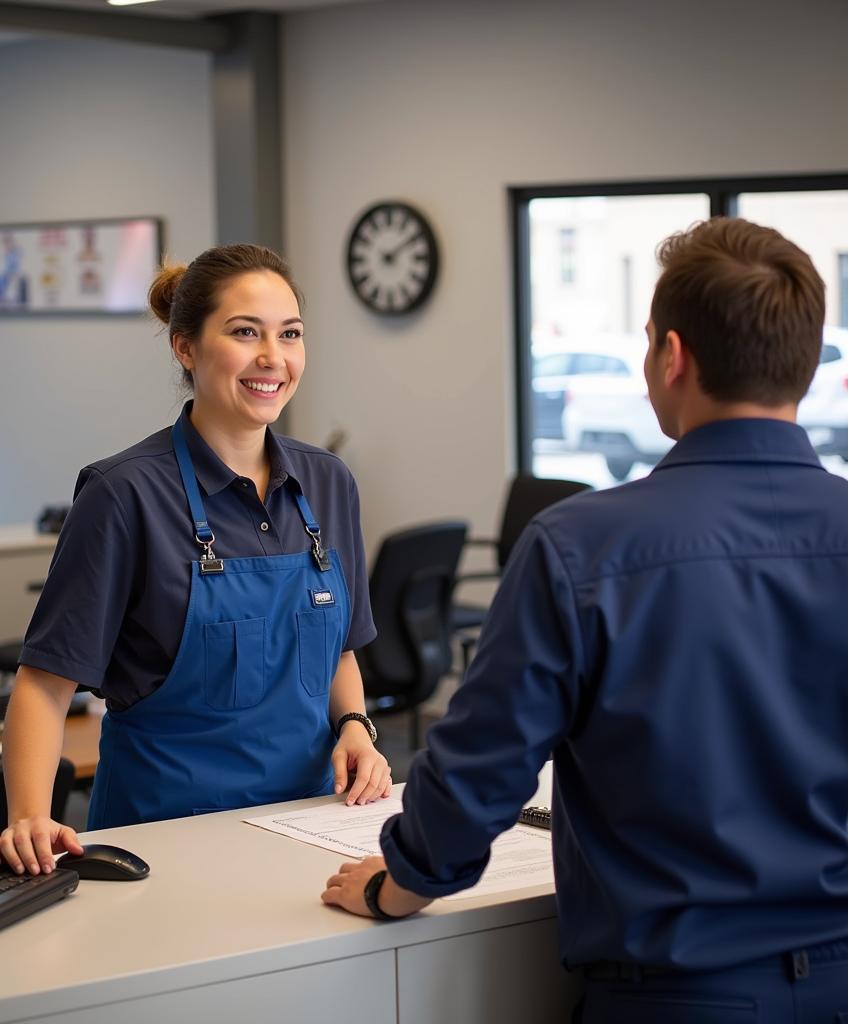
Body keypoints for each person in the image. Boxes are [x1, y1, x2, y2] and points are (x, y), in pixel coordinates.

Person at [322, 218, 848, 1022]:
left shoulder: (584, 544)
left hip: (682, 997)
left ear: (672, 356)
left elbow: (478, 771)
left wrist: (397, 885)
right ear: (805, 365)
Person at [0, 243, 391, 877]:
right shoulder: (123, 494)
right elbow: (44, 684)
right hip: (161, 844)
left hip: (313, 830)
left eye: (290, 334)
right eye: (244, 333)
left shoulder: (329, 482)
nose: (273, 358)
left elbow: (339, 649)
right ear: (185, 347)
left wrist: (356, 728)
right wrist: (30, 818)